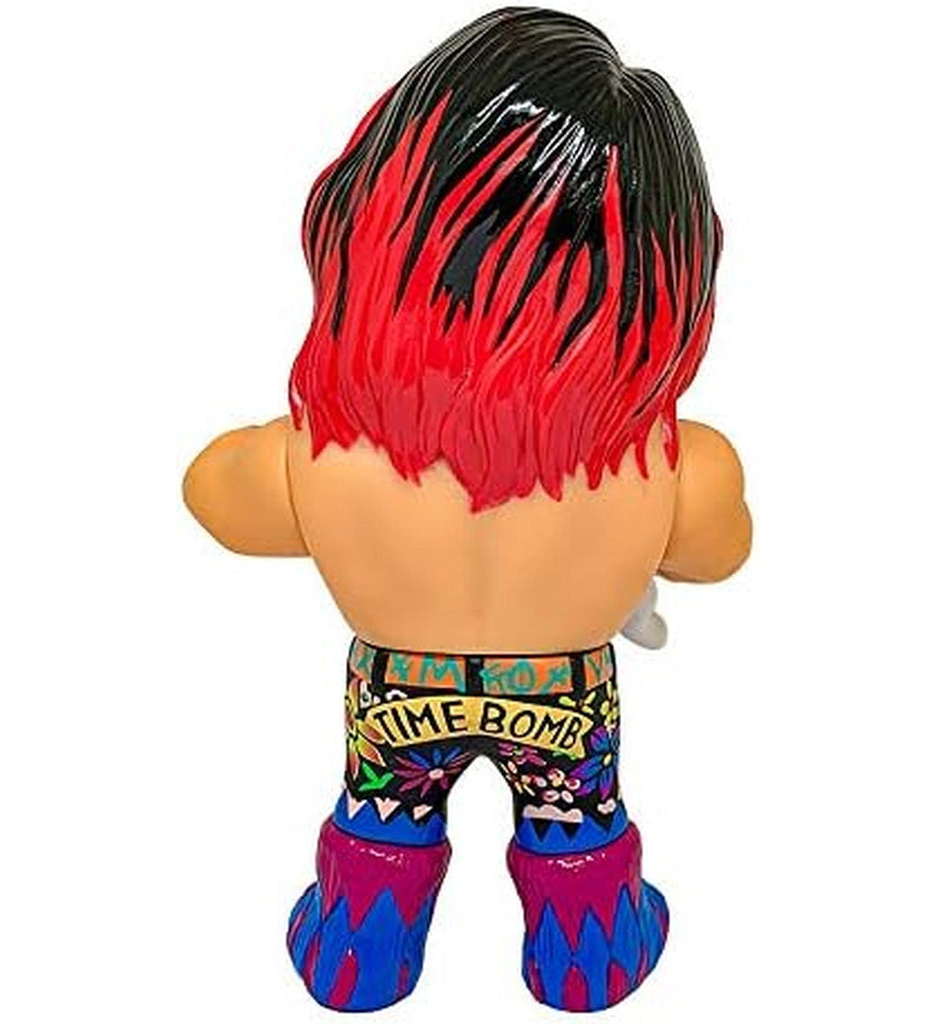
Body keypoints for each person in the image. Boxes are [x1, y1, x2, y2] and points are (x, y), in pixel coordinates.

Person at [184, 8, 751, 1012]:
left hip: (396, 685)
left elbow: (213, 497)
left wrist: (298, 462)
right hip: (564, 689)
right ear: (670, 274)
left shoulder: (321, 455)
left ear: (374, 221)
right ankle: (589, 961)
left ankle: (358, 955)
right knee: (577, 828)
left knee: (379, 819)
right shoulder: (669, 465)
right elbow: (718, 552)